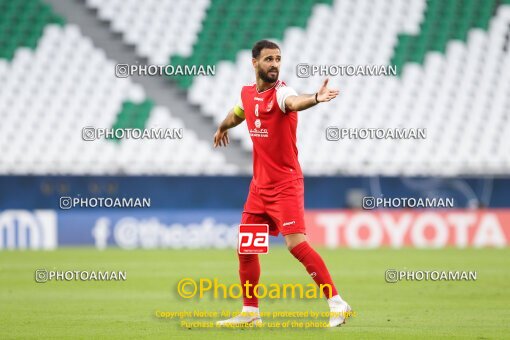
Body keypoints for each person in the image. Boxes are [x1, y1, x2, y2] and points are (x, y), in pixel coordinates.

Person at [213, 40, 351, 328]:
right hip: (259, 188)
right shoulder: (248, 94)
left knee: (296, 244)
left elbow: (294, 102)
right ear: (255, 63)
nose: (275, 64)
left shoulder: (281, 93)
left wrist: (315, 97)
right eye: (269, 59)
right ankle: (250, 313)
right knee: (247, 248)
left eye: (278, 59)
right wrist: (223, 126)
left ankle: (338, 303)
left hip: (285, 184)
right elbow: (237, 113)